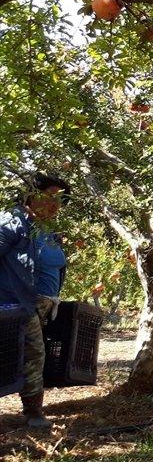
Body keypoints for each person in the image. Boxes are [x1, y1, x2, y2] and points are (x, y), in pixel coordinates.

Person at [0, 173, 70, 429]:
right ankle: (33, 412)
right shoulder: (11, 223)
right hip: (15, 304)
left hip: (41, 306)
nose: (55, 205)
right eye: (50, 197)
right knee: (32, 354)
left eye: (60, 201)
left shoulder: (47, 230)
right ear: (31, 194)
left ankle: (32, 409)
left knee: (26, 355)